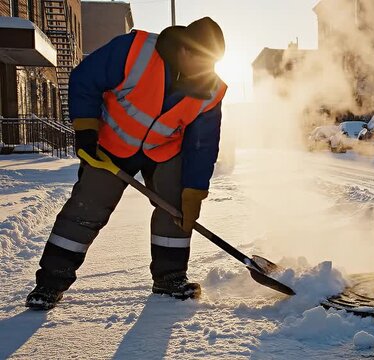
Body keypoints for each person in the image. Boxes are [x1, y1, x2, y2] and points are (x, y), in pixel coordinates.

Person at [25, 17, 227, 310]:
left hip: (163, 150)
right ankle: (49, 284)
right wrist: (85, 129)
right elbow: (85, 78)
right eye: (202, 60)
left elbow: (202, 144)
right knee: (87, 209)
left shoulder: (211, 89)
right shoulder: (135, 50)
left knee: (176, 209)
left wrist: (194, 190)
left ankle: (169, 278)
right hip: (111, 145)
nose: (206, 69)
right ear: (185, 49)